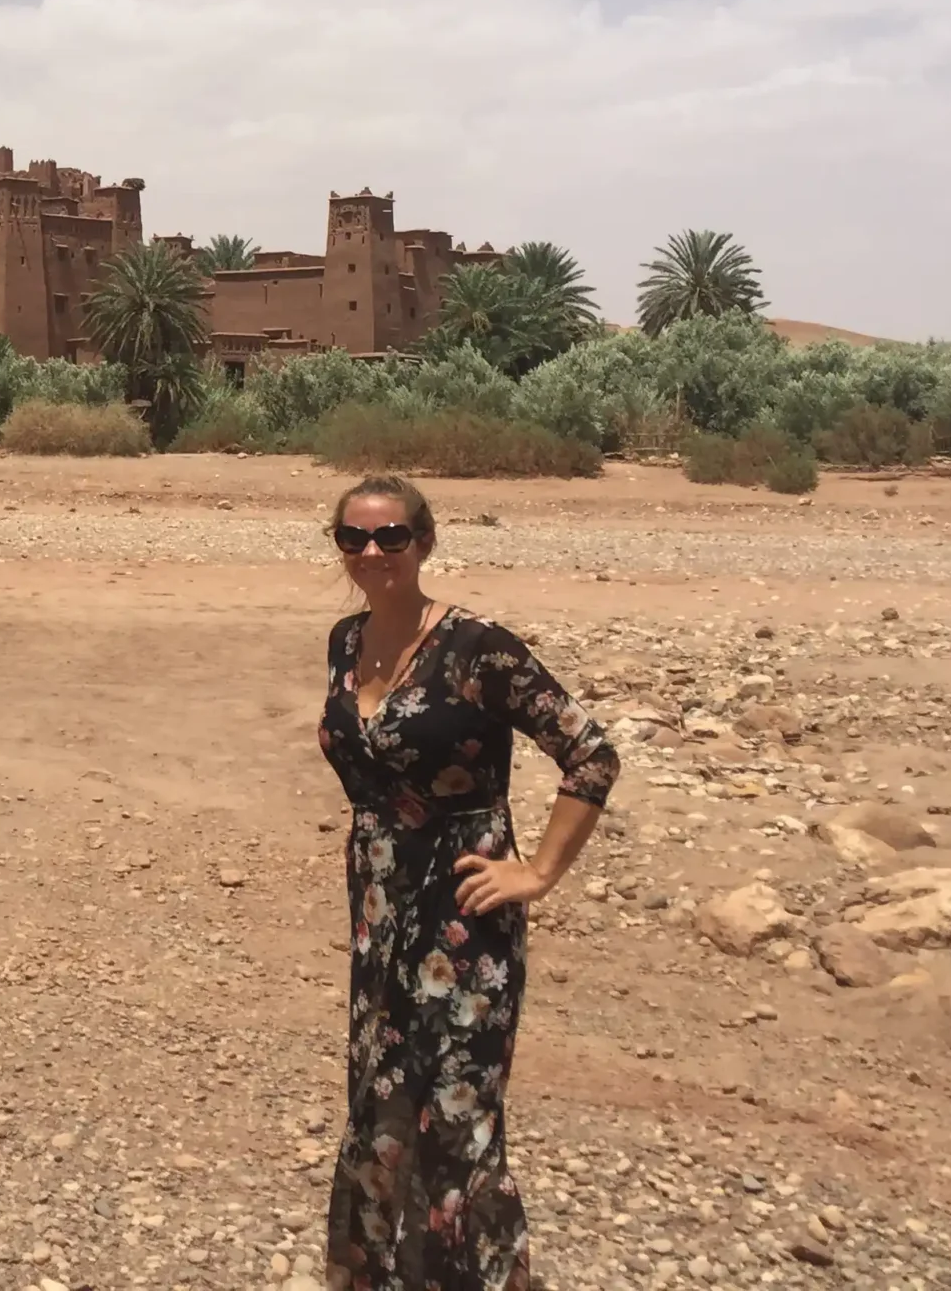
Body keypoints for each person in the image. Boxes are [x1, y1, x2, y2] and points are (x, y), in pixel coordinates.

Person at [317, 474, 618, 1291]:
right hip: (378, 906)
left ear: (424, 542)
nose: (372, 552)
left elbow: (591, 755)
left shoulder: (478, 648)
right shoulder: (346, 642)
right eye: (353, 537)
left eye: (391, 536)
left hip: (464, 910)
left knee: (456, 1106)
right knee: (381, 1093)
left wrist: (540, 870)